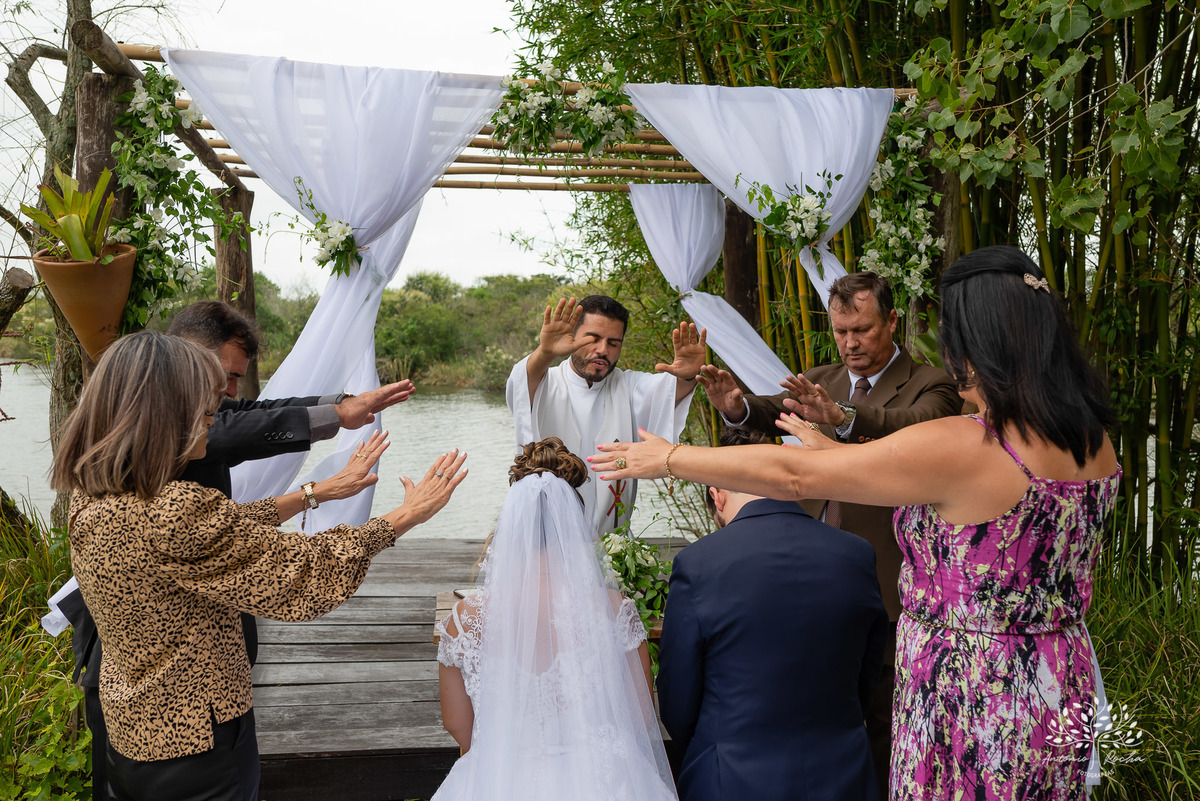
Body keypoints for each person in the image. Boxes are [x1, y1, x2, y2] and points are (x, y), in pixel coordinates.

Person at [592, 246, 1120, 800]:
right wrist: (824, 445)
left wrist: (671, 458)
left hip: (973, 688)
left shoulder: (968, 442)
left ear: (976, 344)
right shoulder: (1093, 439)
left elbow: (795, 475)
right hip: (1058, 675)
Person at [51, 330, 468, 801]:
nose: (214, 418)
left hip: (134, 732)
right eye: (205, 407)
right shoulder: (173, 511)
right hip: (196, 747)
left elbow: (213, 532)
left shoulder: (95, 494)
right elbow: (304, 572)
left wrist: (314, 493)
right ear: (163, 415)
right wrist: (406, 515)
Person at [697, 271, 961, 792]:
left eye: (862, 329)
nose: (850, 343)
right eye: (841, 331)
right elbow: (774, 409)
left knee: (885, 717)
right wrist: (736, 406)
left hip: (887, 585)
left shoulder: (934, 383)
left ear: (892, 321)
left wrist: (842, 418)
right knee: (814, 710)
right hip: (812, 585)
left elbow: (913, 426)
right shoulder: (823, 377)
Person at [431, 437, 677, 801]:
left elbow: (456, 724)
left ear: (510, 527)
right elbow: (641, 716)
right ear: (574, 526)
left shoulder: (465, 619)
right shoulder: (615, 610)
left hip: (501, 777)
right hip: (603, 780)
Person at [658, 428, 888, 801]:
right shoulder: (857, 553)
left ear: (717, 495)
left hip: (732, 777)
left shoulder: (697, 562)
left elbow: (678, 696)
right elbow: (868, 673)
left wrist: (707, 750)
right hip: (842, 771)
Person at [506, 295, 705, 534]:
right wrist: (545, 353)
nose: (602, 350)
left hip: (613, 541)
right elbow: (522, 382)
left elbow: (669, 390)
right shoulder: (546, 383)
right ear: (572, 337)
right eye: (593, 339)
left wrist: (688, 376)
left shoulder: (627, 386)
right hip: (549, 540)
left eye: (613, 343)